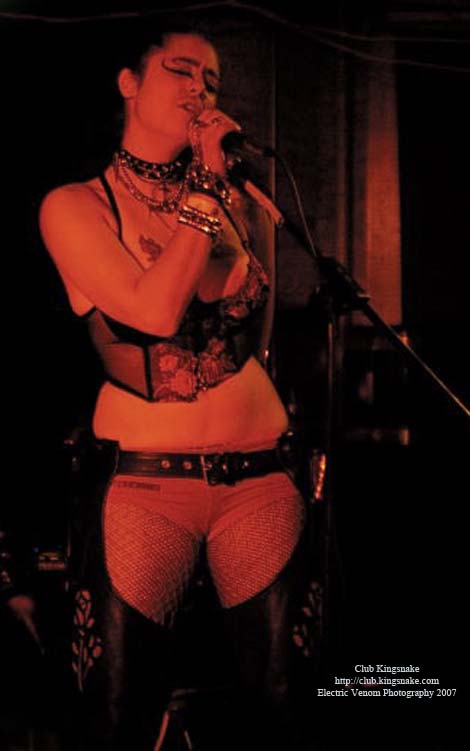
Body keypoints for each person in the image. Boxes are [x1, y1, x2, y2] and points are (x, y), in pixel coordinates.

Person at [39, 23, 309, 751]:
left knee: (283, 703)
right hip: (147, 484)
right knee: (120, 711)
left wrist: (221, 193)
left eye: (211, 80)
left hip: (259, 476)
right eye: (180, 70)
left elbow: (259, 332)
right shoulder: (77, 204)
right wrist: (205, 190)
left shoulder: (234, 200)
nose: (199, 90)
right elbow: (153, 312)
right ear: (129, 83)